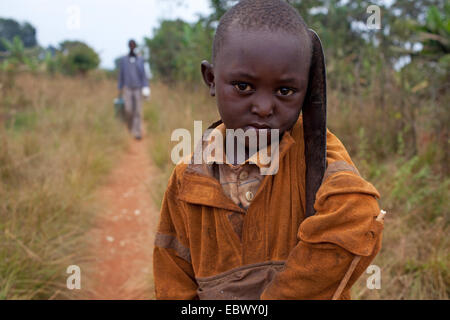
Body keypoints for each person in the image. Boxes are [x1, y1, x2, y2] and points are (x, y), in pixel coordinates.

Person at [153, 0, 384, 300]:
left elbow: (357, 219)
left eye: (284, 91)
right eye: (243, 86)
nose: (263, 108)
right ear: (211, 79)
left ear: (305, 91)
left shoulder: (316, 153)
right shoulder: (188, 179)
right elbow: (172, 268)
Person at [118, 39, 149, 140]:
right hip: (127, 88)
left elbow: (143, 74)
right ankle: (130, 128)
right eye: (130, 45)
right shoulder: (124, 59)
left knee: (138, 111)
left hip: (138, 88)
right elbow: (121, 74)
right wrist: (120, 88)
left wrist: (146, 87)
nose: (132, 47)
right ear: (128, 46)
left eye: (133, 45)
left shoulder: (139, 59)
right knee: (128, 110)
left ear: (135, 46)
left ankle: (137, 132)